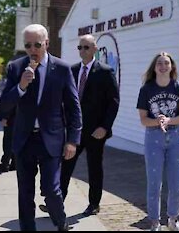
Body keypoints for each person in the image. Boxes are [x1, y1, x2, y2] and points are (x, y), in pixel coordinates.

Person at [0, 24, 82, 231]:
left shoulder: (62, 69)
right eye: (28, 45)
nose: (33, 49)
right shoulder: (16, 68)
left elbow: (74, 107)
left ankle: (61, 223)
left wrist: (73, 140)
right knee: (25, 193)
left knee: (51, 190)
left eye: (37, 44)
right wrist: (21, 87)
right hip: (24, 140)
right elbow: (4, 106)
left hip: (51, 140)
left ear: (46, 43)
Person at [39, 34, 119, 217]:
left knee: (94, 167)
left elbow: (113, 102)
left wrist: (105, 127)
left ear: (95, 49)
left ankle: (94, 204)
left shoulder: (105, 72)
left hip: (95, 131)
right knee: (65, 166)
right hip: (73, 130)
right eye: (80, 47)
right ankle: (55, 203)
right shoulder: (71, 70)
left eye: (87, 47)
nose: (83, 51)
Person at [136, 52, 179, 231]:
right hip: (154, 136)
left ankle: (173, 220)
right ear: (154, 67)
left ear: (172, 66)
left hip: (176, 136)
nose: (163, 66)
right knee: (154, 182)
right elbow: (144, 119)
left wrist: (168, 121)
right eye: (159, 63)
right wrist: (158, 121)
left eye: (166, 63)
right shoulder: (147, 89)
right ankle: (154, 222)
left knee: (176, 182)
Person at [0, 101, 16, 173]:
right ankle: (14, 163)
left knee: (7, 143)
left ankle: (5, 164)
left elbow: (10, 104)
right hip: (13, 119)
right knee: (12, 142)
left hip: (11, 120)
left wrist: (5, 117)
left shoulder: (10, 89)